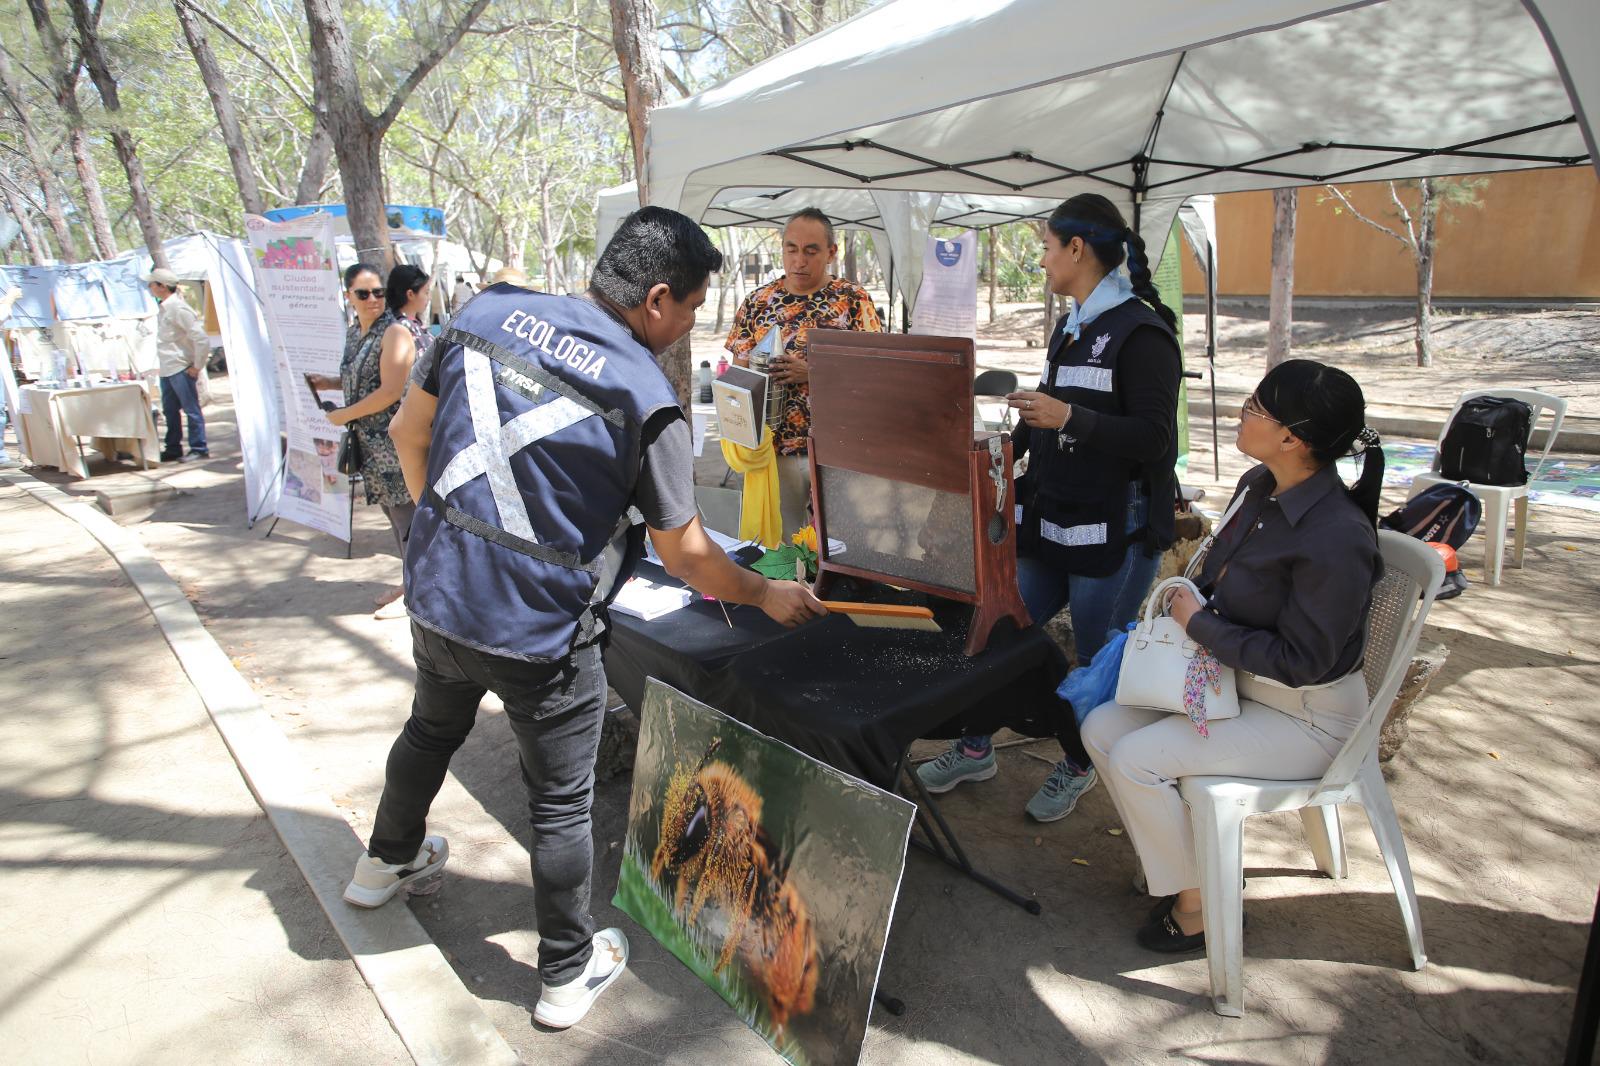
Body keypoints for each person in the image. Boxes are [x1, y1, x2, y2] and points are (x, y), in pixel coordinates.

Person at [344, 206, 825, 1030]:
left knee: (429, 728)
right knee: (560, 803)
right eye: (692, 312)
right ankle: (566, 970)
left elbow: (406, 431)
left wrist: (453, 541)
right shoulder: (646, 394)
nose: (686, 331)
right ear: (660, 299)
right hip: (542, 633)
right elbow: (686, 555)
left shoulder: (484, 313)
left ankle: (381, 864)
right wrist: (761, 592)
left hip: (442, 596)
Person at [1083, 359, 1385, 953]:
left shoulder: (1335, 536)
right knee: (1100, 726)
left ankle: (1199, 905)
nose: (1241, 413)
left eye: (1255, 407)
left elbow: (1306, 661)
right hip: (1236, 685)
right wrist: (1192, 594)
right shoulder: (1258, 487)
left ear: (1291, 438)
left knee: (1138, 758)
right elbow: (1220, 579)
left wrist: (1199, 624)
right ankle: (1185, 864)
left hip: (1308, 714)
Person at [918, 193, 1182, 824]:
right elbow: (1051, 419)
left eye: (1043, 246)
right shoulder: (1072, 325)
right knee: (1002, 631)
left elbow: (1156, 440)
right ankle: (977, 744)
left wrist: (1071, 417)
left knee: (1094, 659)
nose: (1039, 260)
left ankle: (1080, 762)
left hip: (1112, 533)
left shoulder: (1145, 334)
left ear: (1076, 249)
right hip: (1052, 521)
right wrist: (1004, 448)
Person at [724, 208, 880, 534]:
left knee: (844, 542)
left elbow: (876, 374)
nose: (799, 260)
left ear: (831, 253)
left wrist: (814, 373)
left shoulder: (853, 300)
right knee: (782, 549)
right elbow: (737, 378)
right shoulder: (758, 302)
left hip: (840, 448)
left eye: (811, 251)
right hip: (775, 451)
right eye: (791, 249)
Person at [312, 264, 417, 565]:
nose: (373, 299)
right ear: (349, 296)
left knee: (408, 522)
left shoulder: (394, 332)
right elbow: (363, 378)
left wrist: (344, 415)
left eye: (378, 292)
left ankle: (420, 596)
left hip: (394, 445)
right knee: (395, 519)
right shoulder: (356, 332)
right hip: (371, 447)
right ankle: (412, 589)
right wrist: (329, 382)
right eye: (364, 293)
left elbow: (390, 391)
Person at [144, 267, 211, 462]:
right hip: (167, 367)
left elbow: (201, 339)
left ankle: (199, 447)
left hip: (181, 367)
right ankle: (173, 447)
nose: (150, 287)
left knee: (191, 409)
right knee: (170, 410)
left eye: (152, 284)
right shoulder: (164, 308)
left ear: (162, 287)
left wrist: (197, 366)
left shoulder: (178, 308)